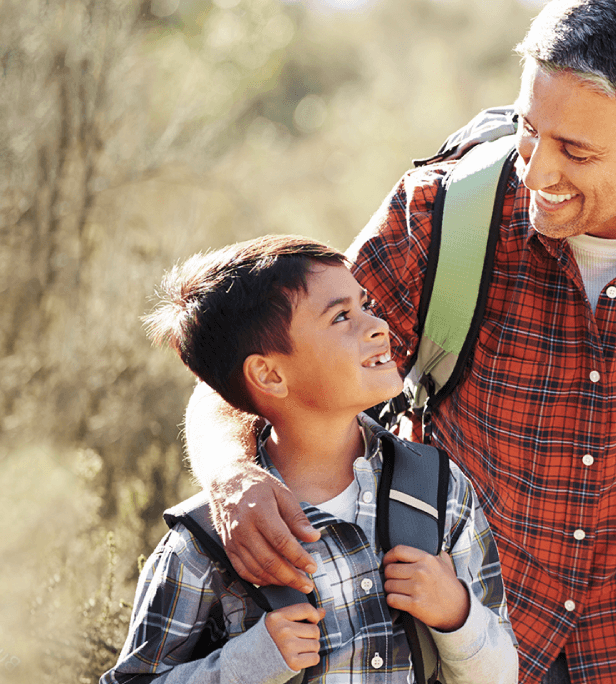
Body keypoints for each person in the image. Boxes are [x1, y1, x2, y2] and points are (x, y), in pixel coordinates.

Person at [184, 1, 616, 682]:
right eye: (531, 131)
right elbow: (264, 370)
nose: (534, 175)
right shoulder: (440, 214)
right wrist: (231, 475)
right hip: (449, 655)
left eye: (576, 152)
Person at [104, 236, 517, 684]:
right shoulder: (207, 545)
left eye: (365, 305)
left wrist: (457, 614)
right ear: (269, 375)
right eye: (341, 317)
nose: (378, 324)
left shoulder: (438, 489)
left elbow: (501, 673)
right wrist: (248, 663)